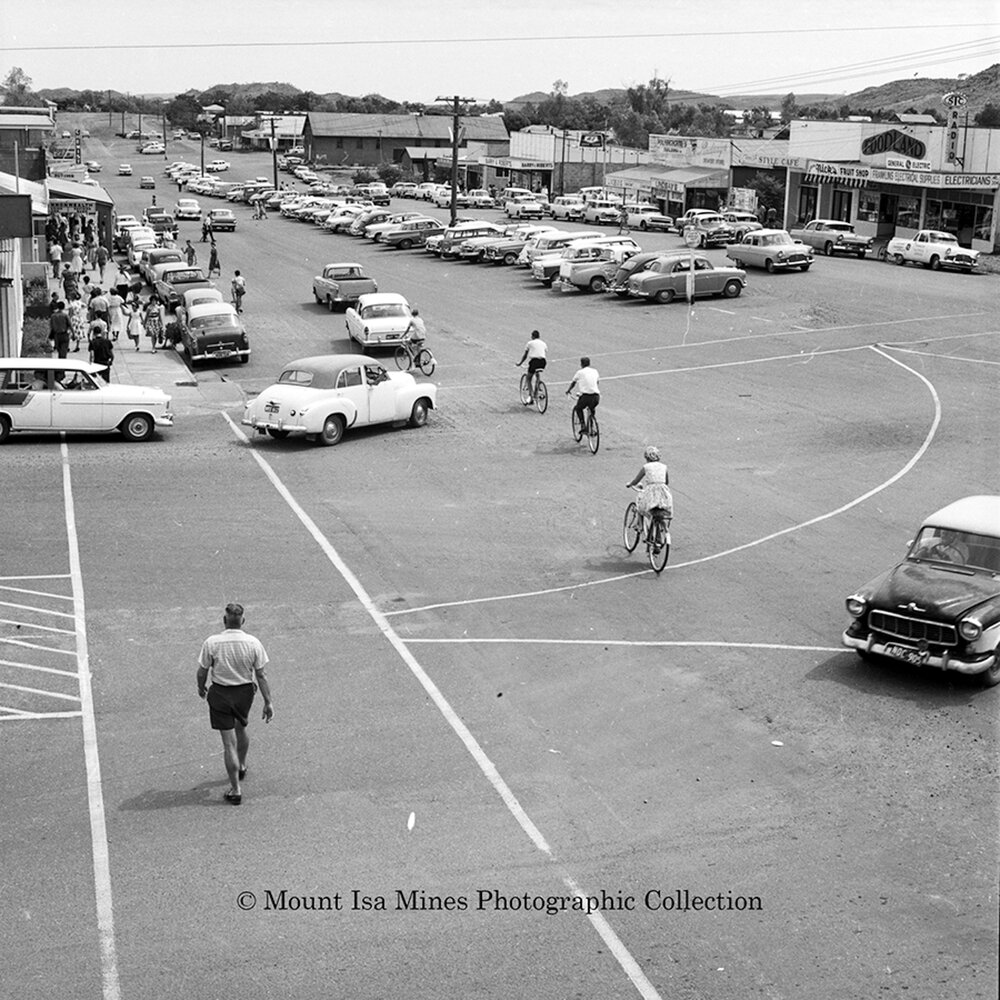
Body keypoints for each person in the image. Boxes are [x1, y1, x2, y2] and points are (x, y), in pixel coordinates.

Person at [196, 603, 274, 806]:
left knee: (228, 743)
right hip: (244, 694)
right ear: (243, 621)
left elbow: (202, 671)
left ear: (224, 621)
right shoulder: (253, 643)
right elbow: (261, 675)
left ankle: (236, 790)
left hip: (221, 694)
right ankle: (241, 766)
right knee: (241, 728)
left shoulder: (212, 642)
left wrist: (201, 687)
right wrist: (268, 702)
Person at [625, 446, 674, 545]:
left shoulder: (646, 467)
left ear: (646, 457)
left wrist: (630, 484)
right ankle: (659, 535)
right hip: (664, 494)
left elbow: (636, 480)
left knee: (640, 506)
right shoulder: (664, 467)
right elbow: (666, 482)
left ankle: (640, 526)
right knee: (659, 513)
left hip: (651, 494)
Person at [565, 356, 600, 430]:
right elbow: (597, 382)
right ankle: (592, 425)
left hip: (586, 396)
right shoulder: (595, 371)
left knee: (578, 408)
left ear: (581, 364)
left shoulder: (579, 372)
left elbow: (573, 383)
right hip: (596, 396)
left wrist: (568, 390)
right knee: (592, 408)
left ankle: (583, 425)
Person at [515, 329, 548, 403]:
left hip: (534, 362)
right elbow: (545, 351)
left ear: (532, 336)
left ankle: (531, 396)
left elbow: (525, 355)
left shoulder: (530, 343)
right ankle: (537, 390)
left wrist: (520, 363)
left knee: (528, 378)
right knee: (537, 374)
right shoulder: (543, 343)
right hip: (543, 362)